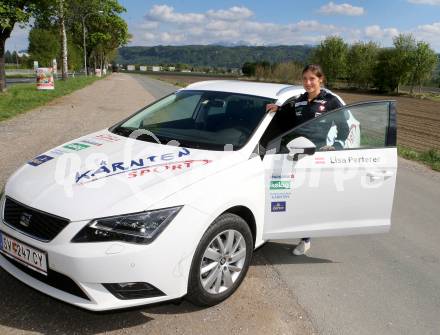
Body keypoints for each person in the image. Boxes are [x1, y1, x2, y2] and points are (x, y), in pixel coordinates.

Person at [266, 64, 346, 256]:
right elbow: (286, 113)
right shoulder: (299, 101)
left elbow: (343, 126)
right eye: (304, 79)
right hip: (293, 154)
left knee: (308, 198)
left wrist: (337, 146)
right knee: (286, 193)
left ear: (321, 80)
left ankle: (305, 239)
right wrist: (277, 108)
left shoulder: (331, 102)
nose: (308, 83)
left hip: (315, 156)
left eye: (312, 79)